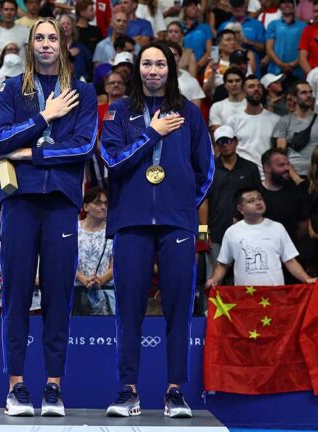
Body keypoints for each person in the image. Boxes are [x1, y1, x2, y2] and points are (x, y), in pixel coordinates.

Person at [100, 41, 213, 418]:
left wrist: (182, 206)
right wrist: (152, 132)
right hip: (131, 222)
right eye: (146, 64)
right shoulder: (118, 112)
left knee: (178, 310)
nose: (153, 70)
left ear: (170, 69)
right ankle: (128, 390)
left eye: (160, 64)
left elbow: (205, 169)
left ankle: (175, 391)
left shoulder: (190, 114)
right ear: (137, 69)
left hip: (176, 224)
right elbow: (112, 163)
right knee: (128, 310)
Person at [0, 17, 97, 417]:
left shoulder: (83, 92)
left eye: (54, 37)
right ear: (30, 44)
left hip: (61, 201)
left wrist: (29, 152)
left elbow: (82, 147)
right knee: (16, 293)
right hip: (19, 202)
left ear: (63, 43)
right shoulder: (10, 88)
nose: (47, 43)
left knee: (58, 294)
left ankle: (53, 386)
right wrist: (44, 116)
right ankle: (16, 386)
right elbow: (0, 140)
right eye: (40, 37)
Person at [206, 187, 315, 287]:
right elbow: (223, 264)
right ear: (240, 208)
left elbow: (290, 261)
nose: (258, 202)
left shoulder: (277, 228)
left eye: (259, 198)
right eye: (251, 201)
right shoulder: (232, 232)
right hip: (245, 297)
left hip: (274, 295)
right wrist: (214, 279)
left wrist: (306, 278)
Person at [201, 125, 261, 280]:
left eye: (228, 140)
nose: (225, 145)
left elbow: (258, 200)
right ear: (216, 145)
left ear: (236, 141)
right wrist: (202, 234)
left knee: (246, 276)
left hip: (247, 233)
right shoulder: (209, 168)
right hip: (215, 233)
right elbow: (202, 201)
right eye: (221, 142)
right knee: (214, 279)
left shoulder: (250, 168)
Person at [276, 80, 318, 176]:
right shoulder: (285, 121)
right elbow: (281, 152)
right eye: (303, 93)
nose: (309, 95)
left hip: (316, 174)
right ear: (294, 98)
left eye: (310, 92)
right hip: (293, 174)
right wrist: (293, 176)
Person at [225, 75, 281, 172]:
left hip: (267, 175)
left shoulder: (276, 120)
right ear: (243, 92)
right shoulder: (232, 120)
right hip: (241, 174)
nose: (256, 89)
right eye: (251, 87)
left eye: (259, 86)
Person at [75, 187, 115, 315]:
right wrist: (82, 278)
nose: (103, 207)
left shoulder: (113, 232)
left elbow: (116, 266)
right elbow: (64, 261)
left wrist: (101, 280)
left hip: (105, 292)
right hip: (76, 291)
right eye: (98, 203)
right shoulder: (73, 229)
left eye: (105, 203)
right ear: (86, 207)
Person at [0, 0, 29, 71]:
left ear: (16, 12)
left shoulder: (26, 31)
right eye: (6, 9)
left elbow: (30, 56)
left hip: (20, 77)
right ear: (1, 11)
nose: (9, 13)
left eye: (12, 10)